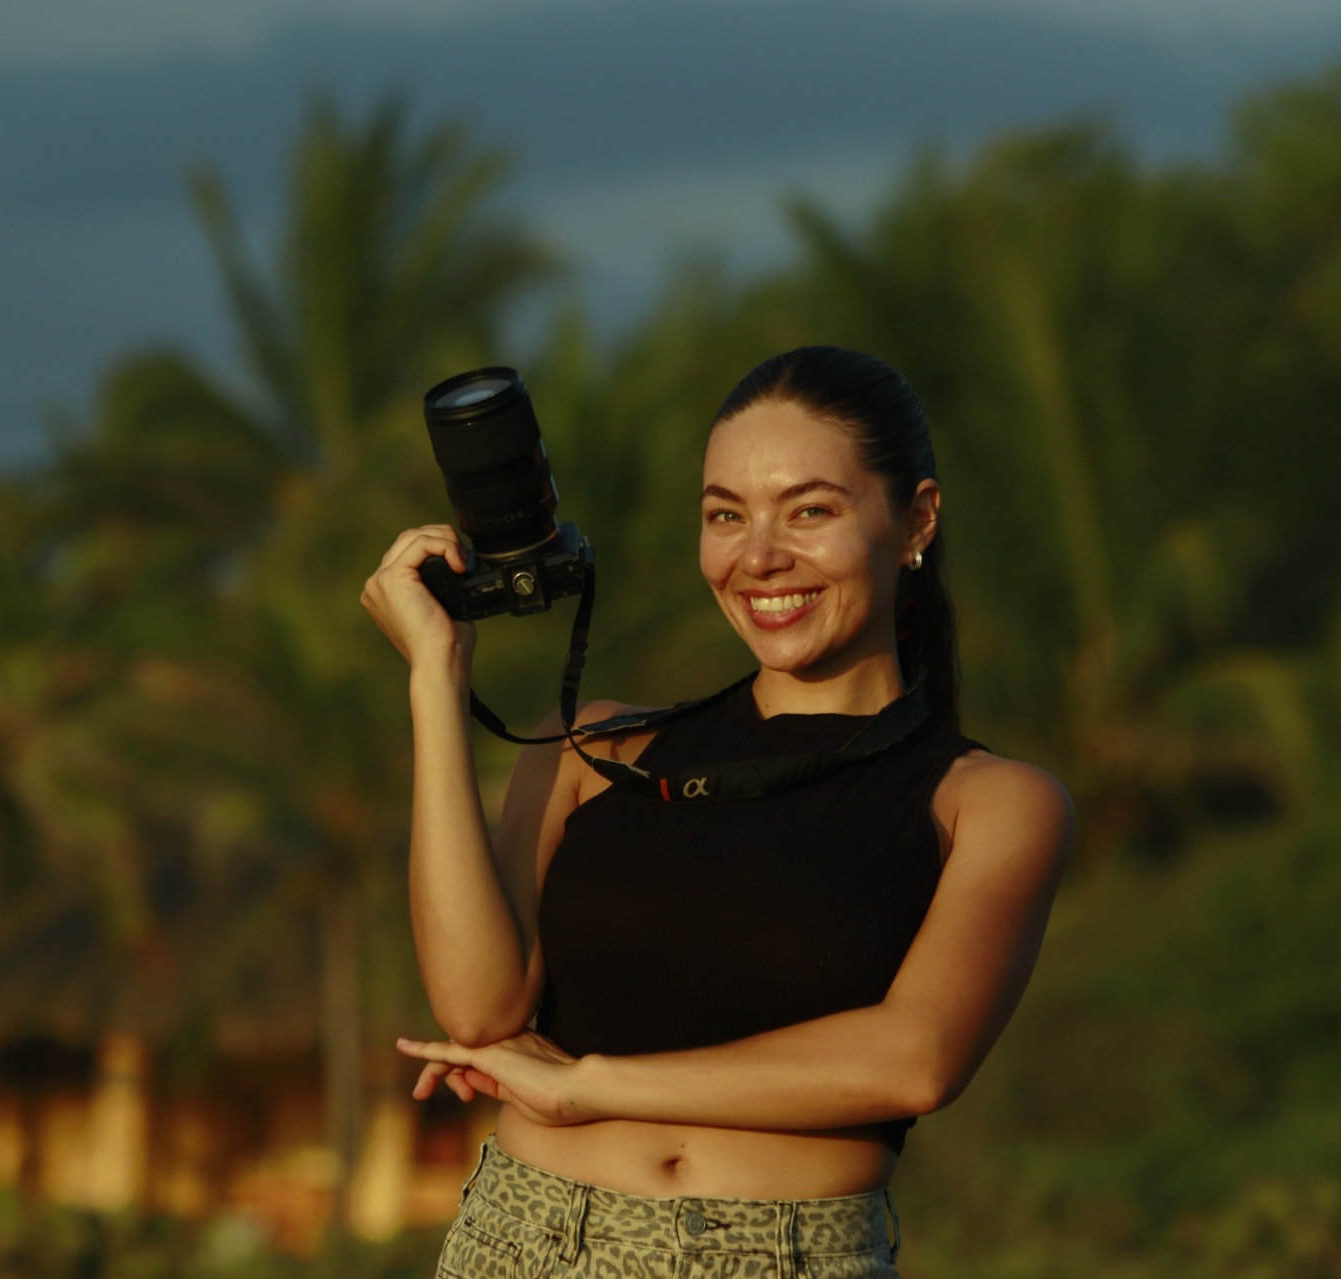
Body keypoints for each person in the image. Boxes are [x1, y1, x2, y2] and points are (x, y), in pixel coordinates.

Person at [361, 346, 1071, 1278]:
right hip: (521, 1241)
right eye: (725, 516)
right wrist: (436, 675)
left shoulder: (991, 801)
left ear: (915, 519)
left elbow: (914, 1059)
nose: (760, 556)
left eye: (811, 510)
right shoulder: (595, 749)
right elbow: (479, 1005)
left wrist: (591, 1085)